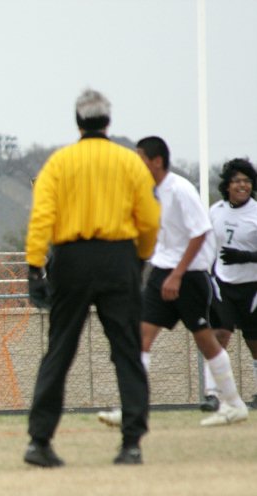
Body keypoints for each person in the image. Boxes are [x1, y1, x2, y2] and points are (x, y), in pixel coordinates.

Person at [24, 89, 161, 467]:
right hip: (119, 257)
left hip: (71, 259)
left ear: (78, 121)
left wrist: (35, 265)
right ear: (108, 121)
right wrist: (141, 257)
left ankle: (39, 441)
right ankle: (131, 443)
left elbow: (42, 218)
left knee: (60, 348)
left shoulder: (60, 162)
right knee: (127, 351)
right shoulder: (129, 162)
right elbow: (149, 218)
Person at [97, 137, 248, 430]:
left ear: (155, 161)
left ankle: (234, 404)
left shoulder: (180, 189)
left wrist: (178, 274)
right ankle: (132, 408)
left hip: (189, 275)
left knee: (205, 339)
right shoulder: (148, 191)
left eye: (139, 158)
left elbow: (200, 233)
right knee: (141, 338)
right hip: (161, 271)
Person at [200, 158, 257, 417]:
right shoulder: (216, 211)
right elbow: (208, 245)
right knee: (219, 335)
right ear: (227, 185)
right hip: (223, 284)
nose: (242, 185)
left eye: (246, 180)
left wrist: (246, 257)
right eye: (237, 180)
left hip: (252, 288)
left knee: (254, 341)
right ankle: (213, 394)